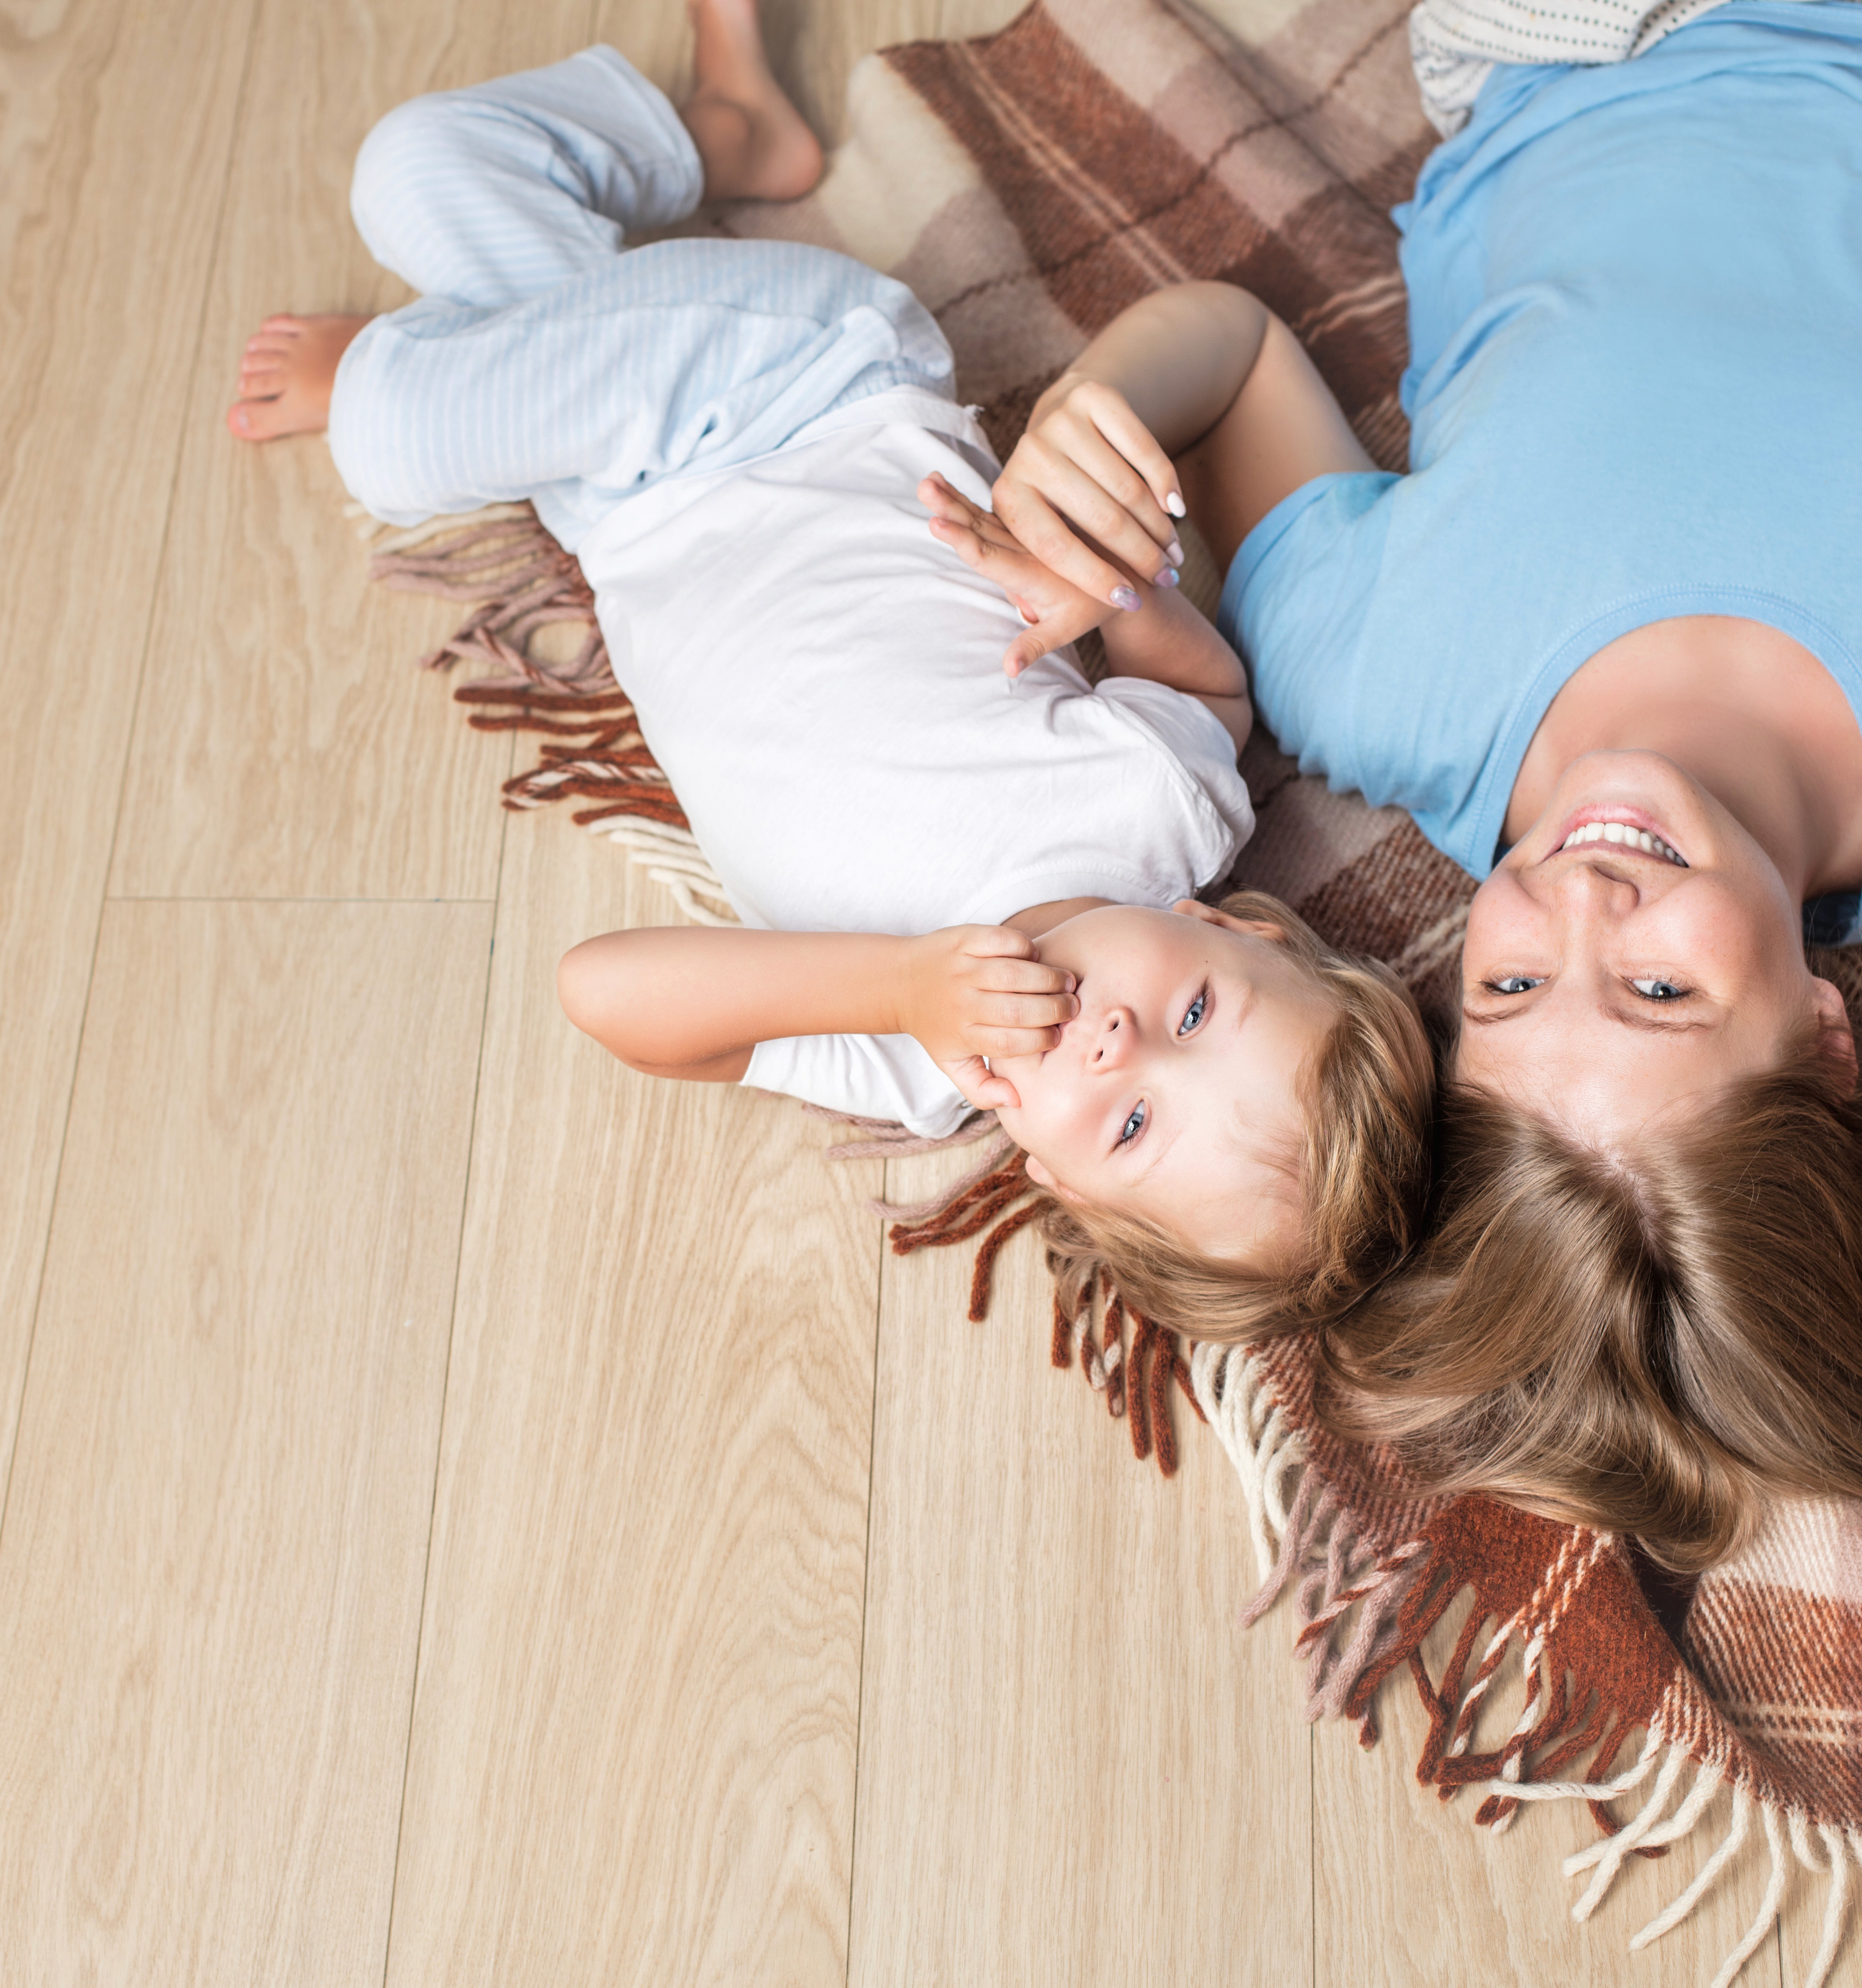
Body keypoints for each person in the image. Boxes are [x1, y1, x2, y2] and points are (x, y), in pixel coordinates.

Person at [958, 0, 1862, 1564]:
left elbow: (1231, 353)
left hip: (1584, 35)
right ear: (1822, 1041)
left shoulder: (1375, 679)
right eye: (1659, 996)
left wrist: (1097, 411)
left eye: (1515, 982)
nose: (1583, 904)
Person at [223, 1, 1435, 1326]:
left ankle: (729, 134)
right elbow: (1210, 692)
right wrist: (1114, 589)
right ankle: (420, 371)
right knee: (394, 432)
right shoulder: (1159, 819)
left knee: (425, 172)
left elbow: (608, 992)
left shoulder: (909, 1057)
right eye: (1198, 1013)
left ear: (1061, 1182)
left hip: (626, 513)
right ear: (1220, 925)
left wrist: (905, 984)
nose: (1116, 1042)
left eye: (1135, 1124)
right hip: (798, 394)